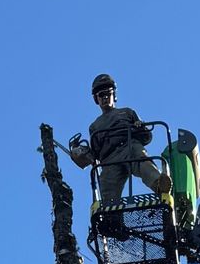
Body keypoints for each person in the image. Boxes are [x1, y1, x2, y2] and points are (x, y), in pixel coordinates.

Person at [69, 76, 173, 209]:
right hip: (109, 159)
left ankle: (159, 184)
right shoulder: (95, 126)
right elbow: (94, 155)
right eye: (101, 95)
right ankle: (109, 212)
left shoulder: (126, 112)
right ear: (97, 99)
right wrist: (80, 152)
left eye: (108, 93)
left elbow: (147, 137)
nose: (105, 97)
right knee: (106, 183)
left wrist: (139, 127)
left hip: (129, 147)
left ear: (114, 95)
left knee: (142, 161)